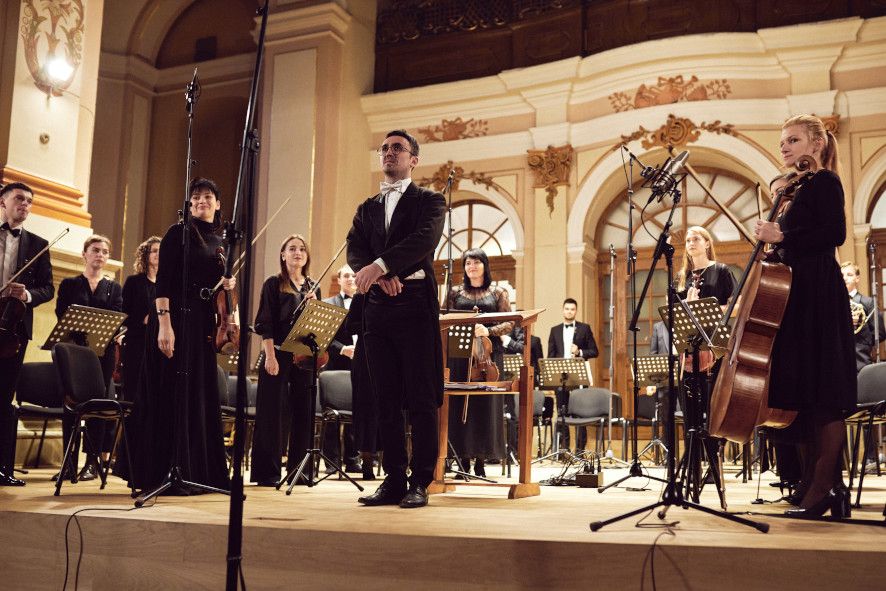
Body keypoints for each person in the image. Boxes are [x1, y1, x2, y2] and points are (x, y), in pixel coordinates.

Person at [754, 114, 856, 518]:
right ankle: (815, 485)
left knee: (824, 395)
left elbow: (835, 234)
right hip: (797, 295)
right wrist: (773, 247)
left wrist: (782, 236)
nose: (784, 147)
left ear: (816, 144)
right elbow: (794, 245)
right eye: (782, 142)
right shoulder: (795, 188)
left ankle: (822, 489)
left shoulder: (825, 181)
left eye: (793, 140)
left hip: (819, 294)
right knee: (805, 395)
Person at [348, 129, 446, 508]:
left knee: (421, 397)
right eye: (385, 148)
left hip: (416, 302)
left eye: (397, 148)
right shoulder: (366, 207)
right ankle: (393, 478)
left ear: (413, 160)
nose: (389, 153)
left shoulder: (430, 201)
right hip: (378, 306)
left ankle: (421, 480)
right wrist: (378, 278)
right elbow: (355, 248)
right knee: (383, 396)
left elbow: (424, 240)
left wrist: (382, 266)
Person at [129, 178, 233, 494]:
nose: (202, 200)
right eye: (196, 197)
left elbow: (217, 286)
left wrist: (226, 285)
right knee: (170, 394)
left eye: (208, 196)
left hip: (202, 324)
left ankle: (198, 472)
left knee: (197, 396)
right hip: (174, 320)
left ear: (217, 204)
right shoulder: (179, 234)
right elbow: (163, 283)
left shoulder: (222, 242)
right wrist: (164, 324)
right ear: (190, 205)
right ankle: (163, 471)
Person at [250, 234, 319, 486]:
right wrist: (269, 356)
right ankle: (267, 473)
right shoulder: (273, 284)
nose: (297, 252)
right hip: (277, 352)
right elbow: (264, 324)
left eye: (302, 249)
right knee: (272, 413)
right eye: (292, 249)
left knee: (304, 411)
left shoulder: (313, 287)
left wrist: (314, 306)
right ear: (283, 255)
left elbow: (314, 325)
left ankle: (299, 472)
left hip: (303, 355)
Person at [54, 235, 123, 480]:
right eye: (95, 250)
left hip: (102, 355)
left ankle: (92, 464)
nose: (100, 255)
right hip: (73, 354)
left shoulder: (114, 288)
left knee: (96, 406)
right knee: (70, 405)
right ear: (85, 253)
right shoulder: (70, 284)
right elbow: (62, 313)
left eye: (105, 251)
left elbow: (116, 317)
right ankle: (68, 463)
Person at [0, 182, 54, 487]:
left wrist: (27, 296)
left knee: (4, 397)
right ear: (3, 202)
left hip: (13, 330)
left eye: (30, 201)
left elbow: (48, 288)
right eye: (19, 198)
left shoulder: (39, 244)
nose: (25, 204)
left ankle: (3, 468)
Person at [446, 248, 513, 477]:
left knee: (485, 407)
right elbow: (445, 319)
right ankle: (462, 460)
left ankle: (481, 461)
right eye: (467, 263)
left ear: (485, 265)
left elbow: (509, 323)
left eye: (476, 262)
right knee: (459, 406)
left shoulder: (498, 292)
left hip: (488, 355)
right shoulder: (455, 292)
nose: (472, 267)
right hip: (460, 354)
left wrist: (488, 329)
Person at [321, 265, 361, 475]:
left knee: (356, 409)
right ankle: (330, 460)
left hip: (360, 363)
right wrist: (342, 349)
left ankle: (353, 459)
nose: (351, 279)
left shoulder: (365, 302)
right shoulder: (329, 304)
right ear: (339, 279)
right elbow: (324, 336)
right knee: (332, 413)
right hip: (336, 362)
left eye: (355, 275)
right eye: (346, 275)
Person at [547, 298, 598, 451]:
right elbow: (550, 356)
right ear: (563, 310)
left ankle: (580, 451)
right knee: (563, 413)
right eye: (567, 309)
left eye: (572, 309)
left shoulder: (584, 328)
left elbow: (594, 351)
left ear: (576, 311)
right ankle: (564, 450)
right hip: (561, 378)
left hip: (579, 377)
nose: (569, 311)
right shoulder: (554, 330)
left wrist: (579, 352)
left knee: (579, 414)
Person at [120, 237, 161, 402]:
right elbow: (123, 315)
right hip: (137, 344)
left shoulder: (167, 285)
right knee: (134, 394)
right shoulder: (134, 282)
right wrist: (143, 320)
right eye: (154, 251)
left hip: (158, 344)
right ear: (146, 255)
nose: (159, 254)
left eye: (162, 251)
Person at [841, 261, 885, 372]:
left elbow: (880, 333)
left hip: (861, 361)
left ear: (857, 278)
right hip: (839, 361)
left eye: (849, 275)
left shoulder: (868, 302)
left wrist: (860, 326)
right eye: (841, 275)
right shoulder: (834, 304)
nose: (844, 278)